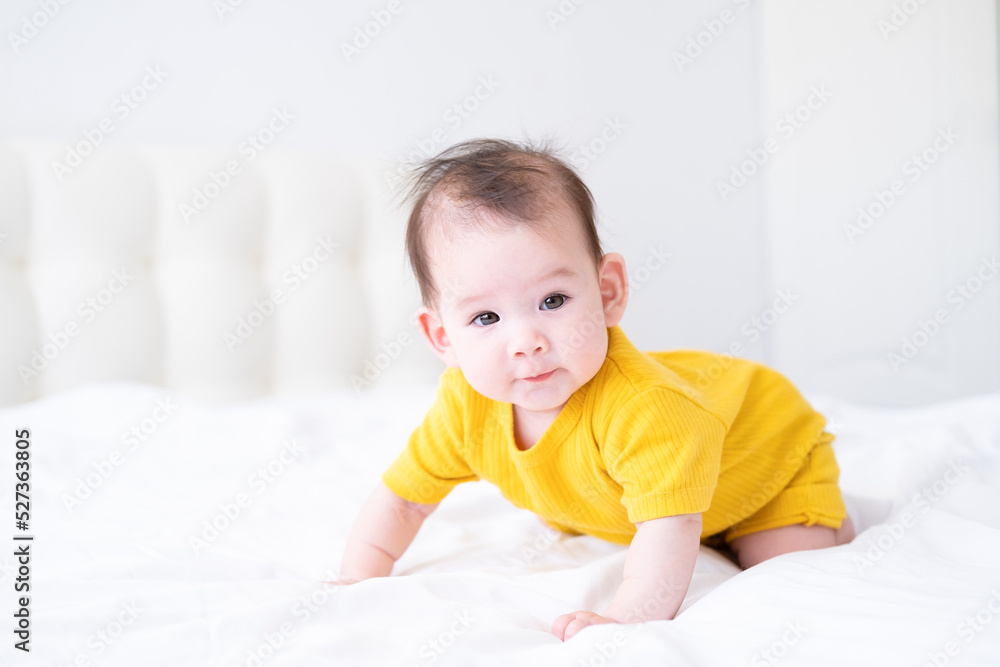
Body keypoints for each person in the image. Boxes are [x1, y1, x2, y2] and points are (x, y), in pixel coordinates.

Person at [337, 138, 855, 641]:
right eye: (486, 316)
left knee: (783, 576)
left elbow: (670, 527)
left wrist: (627, 619)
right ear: (442, 337)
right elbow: (403, 501)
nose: (527, 342)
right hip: (678, 493)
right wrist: (358, 580)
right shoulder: (464, 406)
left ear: (607, 292)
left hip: (768, 459)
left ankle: (829, 521)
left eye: (553, 300)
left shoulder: (646, 409)